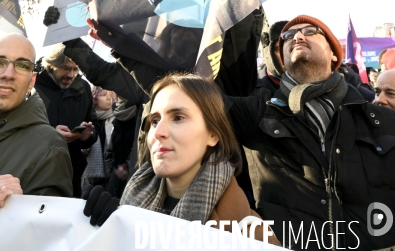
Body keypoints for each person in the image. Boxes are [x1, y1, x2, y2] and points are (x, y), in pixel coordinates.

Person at [88, 15, 395, 250]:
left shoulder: (380, 117)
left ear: (334, 54)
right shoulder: (259, 113)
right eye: (287, 35)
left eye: (310, 31)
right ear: (281, 59)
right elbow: (185, 94)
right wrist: (124, 47)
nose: (297, 35)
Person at [83, 73, 280, 245]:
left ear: (213, 133)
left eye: (178, 117)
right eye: (154, 120)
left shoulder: (251, 237)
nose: (158, 132)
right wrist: (103, 232)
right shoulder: (129, 204)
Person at [0, 33, 73, 205]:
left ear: (32, 81)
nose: (8, 74)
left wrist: (12, 208)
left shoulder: (50, 147)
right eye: (0, 62)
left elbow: (46, 229)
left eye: (22, 65)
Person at [34, 43, 98, 197]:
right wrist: (51, 135)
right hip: (36, 173)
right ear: (52, 64)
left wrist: (87, 136)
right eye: (66, 68)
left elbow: (93, 123)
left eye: (76, 69)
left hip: (71, 175)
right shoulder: (32, 84)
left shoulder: (83, 87)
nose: (71, 75)